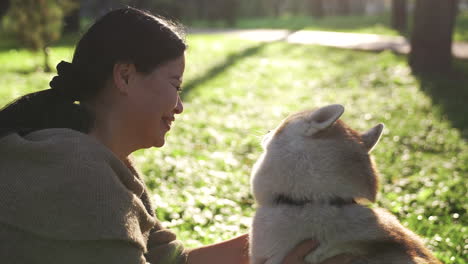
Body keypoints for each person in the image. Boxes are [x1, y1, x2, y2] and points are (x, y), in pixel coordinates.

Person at [0, 7, 357, 264]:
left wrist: (299, 229)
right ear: (124, 77)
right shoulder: (77, 173)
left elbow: (176, 261)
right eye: (175, 84)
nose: (180, 106)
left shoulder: (108, 165)